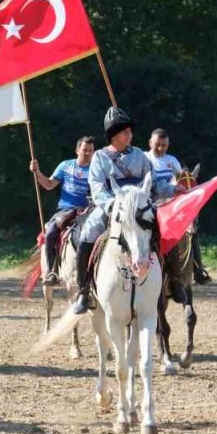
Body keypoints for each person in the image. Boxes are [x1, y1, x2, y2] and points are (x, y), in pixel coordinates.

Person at [71, 107, 152, 315]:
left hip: (138, 208)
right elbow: (97, 187)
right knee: (86, 234)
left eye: (129, 131)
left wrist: (173, 189)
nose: (129, 135)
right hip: (110, 208)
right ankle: (84, 290)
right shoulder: (99, 157)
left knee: (162, 228)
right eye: (125, 131)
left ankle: (173, 279)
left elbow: (155, 184)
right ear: (114, 135)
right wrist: (112, 206)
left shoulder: (141, 156)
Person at [144, 128, 212, 285]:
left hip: (171, 208)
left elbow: (183, 181)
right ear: (150, 143)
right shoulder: (144, 158)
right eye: (158, 144)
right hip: (150, 205)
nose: (161, 148)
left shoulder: (172, 161)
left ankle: (197, 269)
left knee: (191, 230)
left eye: (164, 145)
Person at [30, 137, 95, 286]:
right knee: (51, 231)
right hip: (66, 209)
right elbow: (48, 185)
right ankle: (52, 270)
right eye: (85, 150)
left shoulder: (96, 169)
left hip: (89, 210)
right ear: (77, 150)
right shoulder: (65, 166)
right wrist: (37, 172)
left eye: (91, 151)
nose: (87, 153)